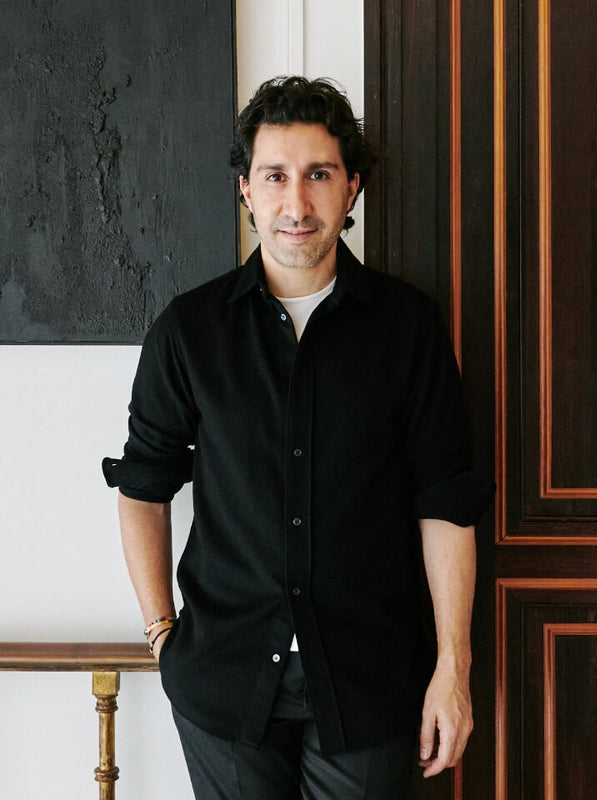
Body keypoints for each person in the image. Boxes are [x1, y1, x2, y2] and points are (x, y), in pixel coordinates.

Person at [103, 76, 493, 799]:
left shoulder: (408, 330)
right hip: (223, 679)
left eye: (318, 174)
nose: (297, 202)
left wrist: (453, 668)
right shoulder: (189, 332)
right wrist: (164, 636)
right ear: (246, 190)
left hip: (371, 680)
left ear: (352, 188)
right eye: (275, 176)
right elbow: (143, 485)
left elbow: (445, 503)